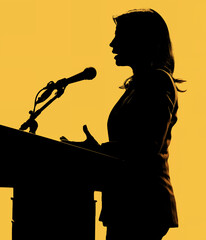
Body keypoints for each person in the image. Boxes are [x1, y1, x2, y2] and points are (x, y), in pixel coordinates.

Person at [61, 9, 184, 240]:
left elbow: (146, 148)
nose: (112, 43)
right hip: (127, 203)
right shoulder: (139, 84)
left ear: (142, 40)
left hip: (143, 204)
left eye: (120, 35)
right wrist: (93, 150)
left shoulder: (158, 82)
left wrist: (97, 151)